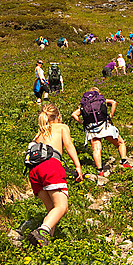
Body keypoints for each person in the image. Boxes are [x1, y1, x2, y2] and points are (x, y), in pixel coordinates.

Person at [25, 104, 82, 246]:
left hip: (34, 171)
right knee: (62, 207)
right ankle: (42, 230)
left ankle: (44, 242)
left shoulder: (38, 134)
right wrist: (78, 166)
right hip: (51, 167)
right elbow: (68, 145)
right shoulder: (62, 127)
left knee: (52, 209)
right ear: (58, 117)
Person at [71, 87, 126, 177]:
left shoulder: (85, 104)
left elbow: (74, 114)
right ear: (98, 93)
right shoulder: (101, 99)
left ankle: (100, 170)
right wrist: (111, 116)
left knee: (96, 149)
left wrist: (83, 122)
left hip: (91, 128)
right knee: (120, 143)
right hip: (104, 125)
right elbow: (114, 102)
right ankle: (124, 162)